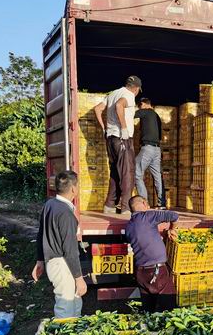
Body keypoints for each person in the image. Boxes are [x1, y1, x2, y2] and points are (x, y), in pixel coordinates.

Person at [32, 170, 87, 318]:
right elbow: (70, 250)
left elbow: (41, 234)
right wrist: (79, 278)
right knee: (66, 308)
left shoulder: (50, 204)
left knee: (75, 304)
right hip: (63, 264)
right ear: (74, 189)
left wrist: (40, 261)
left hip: (54, 262)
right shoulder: (66, 214)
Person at [93, 75, 142, 215]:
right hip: (122, 138)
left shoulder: (112, 93)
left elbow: (97, 109)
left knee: (115, 172)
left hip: (111, 138)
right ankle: (126, 207)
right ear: (136, 88)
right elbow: (119, 105)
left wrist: (104, 128)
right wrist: (124, 128)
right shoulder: (129, 95)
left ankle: (109, 205)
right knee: (127, 173)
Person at [125, 196, 179, 312]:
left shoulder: (129, 226)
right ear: (144, 203)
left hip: (141, 273)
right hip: (156, 272)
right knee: (168, 308)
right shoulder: (148, 216)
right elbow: (174, 216)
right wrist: (172, 229)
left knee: (148, 310)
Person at [134, 98, 165, 208]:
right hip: (157, 149)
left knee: (136, 173)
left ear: (143, 104)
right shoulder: (157, 116)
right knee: (157, 177)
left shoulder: (146, 111)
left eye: (139, 107)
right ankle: (162, 203)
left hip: (147, 148)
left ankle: (144, 202)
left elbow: (131, 114)